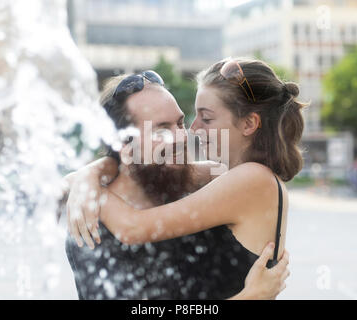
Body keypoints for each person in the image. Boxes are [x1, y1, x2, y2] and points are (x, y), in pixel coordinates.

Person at [64, 58, 303, 298]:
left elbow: (132, 227)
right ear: (125, 145)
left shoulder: (251, 179)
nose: (189, 132)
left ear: (250, 123)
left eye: (205, 119)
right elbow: (190, 171)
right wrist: (88, 174)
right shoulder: (222, 176)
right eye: (161, 128)